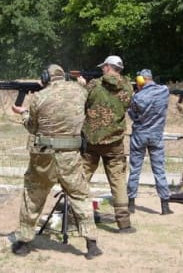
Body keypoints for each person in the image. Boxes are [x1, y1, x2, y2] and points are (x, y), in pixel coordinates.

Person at [10, 64, 102, 259]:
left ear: (45, 77)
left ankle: (24, 242)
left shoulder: (38, 98)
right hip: (70, 155)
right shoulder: (81, 92)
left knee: (33, 196)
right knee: (80, 195)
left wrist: (23, 112)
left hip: (43, 156)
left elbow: (32, 127)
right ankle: (91, 244)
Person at [78, 55, 136, 233]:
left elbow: (83, 103)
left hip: (92, 141)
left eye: (104, 67)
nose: (102, 69)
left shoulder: (94, 85)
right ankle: (124, 223)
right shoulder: (127, 86)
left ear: (109, 67)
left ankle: (80, 215)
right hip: (115, 142)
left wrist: (81, 85)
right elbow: (126, 105)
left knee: (82, 178)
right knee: (118, 181)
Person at [127, 69, 173, 215]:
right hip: (156, 136)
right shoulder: (164, 91)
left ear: (141, 80)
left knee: (135, 170)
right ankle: (165, 206)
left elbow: (133, 115)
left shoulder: (137, 97)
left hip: (139, 135)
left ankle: (131, 204)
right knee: (159, 170)